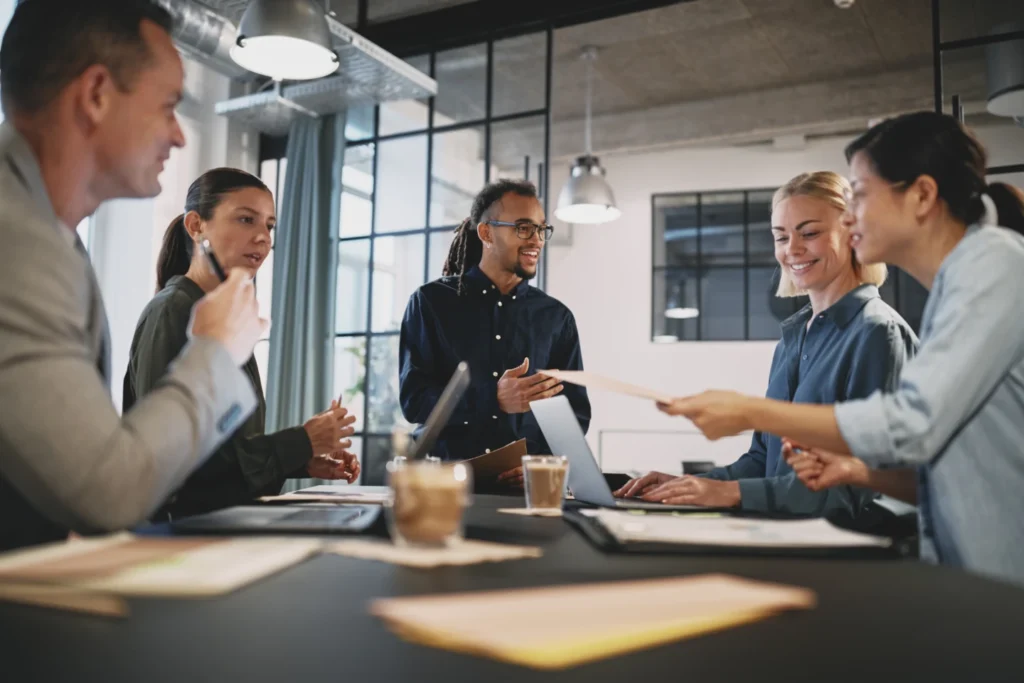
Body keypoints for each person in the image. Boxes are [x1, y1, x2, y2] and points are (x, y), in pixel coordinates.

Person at [660, 111, 1024, 585]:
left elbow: (912, 424)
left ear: (922, 195)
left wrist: (751, 411)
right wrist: (855, 470)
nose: (851, 216)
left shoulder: (993, 266)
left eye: (862, 193)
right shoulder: (956, 287)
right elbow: (945, 468)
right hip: (970, 579)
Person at [0, 0, 266, 550]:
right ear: (96, 94)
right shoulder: (15, 240)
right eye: (169, 106)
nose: (179, 135)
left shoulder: (48, 233)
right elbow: (107, 490)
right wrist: (215, 350)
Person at [615, 172, 917, 520]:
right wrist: (688, 485)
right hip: (786, 537)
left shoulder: (879, 333)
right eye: (781, 237)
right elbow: (763, 461)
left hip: (851, 555)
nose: (792, 249)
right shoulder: (794, 337)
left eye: (810, 233)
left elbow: (862, 489)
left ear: (852, 233)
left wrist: (729, 493)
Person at [124, 168, 361, 519]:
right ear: (196, 225)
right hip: (181, 541)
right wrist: (300, 441)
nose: (263, 237)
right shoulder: (172, 311)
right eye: (246, 219)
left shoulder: (225, 317)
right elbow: (177, 463)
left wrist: (302, 460)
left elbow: (224, 455)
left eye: (269, 225)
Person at [399, 179, 590, 486]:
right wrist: (491, 399)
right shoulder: (430, 303)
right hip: (442, 486)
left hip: (525, 491)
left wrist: (545, 463)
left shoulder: (557, 318)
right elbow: (415, 400)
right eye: (524, 228)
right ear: (486, 232)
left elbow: (573, 414)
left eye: (542, 230)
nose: (537, 240)